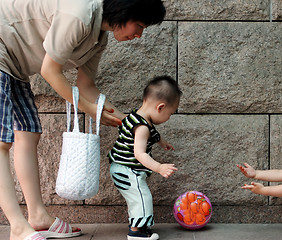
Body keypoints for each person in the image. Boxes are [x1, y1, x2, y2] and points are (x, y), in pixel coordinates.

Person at [0, 0, 166, 239]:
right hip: (2, 45)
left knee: (29, 131)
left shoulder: (99, 39)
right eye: (138, 25)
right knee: (2, 142)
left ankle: (37, 216)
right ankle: (17, 226)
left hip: (15, 65)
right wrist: (87, 107)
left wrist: (127, 120)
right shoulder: (80, 13)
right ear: (123, 12)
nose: (139, 35)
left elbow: (87, 88)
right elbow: (50, 71)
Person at [108, 75, 181, 240]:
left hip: (123, 167)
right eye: (170, 114)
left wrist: (162, 142)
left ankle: (140, 227)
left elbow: (153, 133)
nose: (168, 118)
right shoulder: (142, 127)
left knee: (138, 196)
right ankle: (136, 233)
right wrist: (159, 167)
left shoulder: (137, 116)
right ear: (160, 107)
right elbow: (139, 153)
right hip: (127, 169)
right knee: (142, 197)